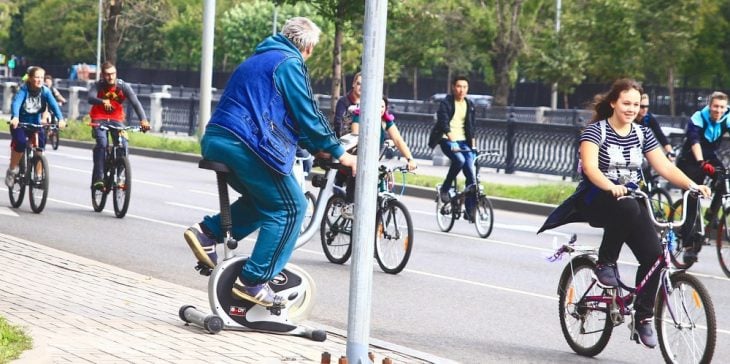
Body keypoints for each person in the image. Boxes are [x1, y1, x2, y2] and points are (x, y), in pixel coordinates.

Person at [183, 17, 357, 307]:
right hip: (247, 142)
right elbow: (307, 113)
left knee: (266, 201)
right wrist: (339, 152)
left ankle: (206, 233)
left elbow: (283, 118)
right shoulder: (289, 62)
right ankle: (253, 281)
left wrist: (316, 147)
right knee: (292, 207)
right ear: (309, 48)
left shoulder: (259, 58)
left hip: (219, 139)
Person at [538, 79, 710, 348]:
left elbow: (665, 167)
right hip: (599, 198)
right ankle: (606, 263)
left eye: (636, 104)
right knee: (628, 204)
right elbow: (591, 168)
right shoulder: (595, 132)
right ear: (613, 103)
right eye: (626, 103)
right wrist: (612, 186)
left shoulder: (642, 133)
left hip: (631, 201)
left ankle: (642, 317)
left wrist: (692, 185)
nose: (632, 109)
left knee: (655, 258)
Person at [676, 91, 730, 263]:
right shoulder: (698, 117)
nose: (718, 110)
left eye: (722, 107)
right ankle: (688, 245)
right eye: (715, 106)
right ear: (709, 105)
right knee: (693, 199)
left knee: (724, 180)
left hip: (709, 157)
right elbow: (694, 141)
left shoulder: (727, 117)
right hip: (690, 159)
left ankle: (711, 217)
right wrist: (701, 162)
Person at [342, 96, 417, 202]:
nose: (380, 109)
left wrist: (410, 159)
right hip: (357, 158)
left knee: (384, 181)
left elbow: (398, 140)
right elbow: (356, 137)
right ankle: (349, 204)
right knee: (355, 186)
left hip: (374, 160)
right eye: (377, 106)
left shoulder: (385, 121)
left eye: (382, 106)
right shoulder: (360, 116)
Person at [88, 61, 150, 189]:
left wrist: (143, 120)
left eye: (113, 74)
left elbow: (136, 103)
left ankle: (120, 176)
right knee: (102, 143)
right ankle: (99, 178)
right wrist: (102, 101)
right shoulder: (98, 85)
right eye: (107, 74)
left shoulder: (123, 86)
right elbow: (90, 98)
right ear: (102, 75)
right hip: (99, 118)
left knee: (123, 144)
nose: (110, 77)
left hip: (116, 119)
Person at [5, 66, 66, 187]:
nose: (39, 80)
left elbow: (54, 105)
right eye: (37, 77)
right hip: (20, 124)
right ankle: (12, 170)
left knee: (40, 148)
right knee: (21, 143)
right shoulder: (24, 90)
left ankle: (38, 175)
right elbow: (16, 103)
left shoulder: (45, 91)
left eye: (41, 77)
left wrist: (61, 119)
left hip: (35, 124)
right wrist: (15, 117)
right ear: (30, 78)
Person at [433, 76, 477, 218]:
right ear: (453, 87)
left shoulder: (469, 104)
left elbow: (472, 127)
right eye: (459, 86)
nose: (461, 90)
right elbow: (443, 124)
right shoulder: (446, 103)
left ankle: (470, 211)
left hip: (464, 142)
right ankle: (445, 189)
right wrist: (453, 142)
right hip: (447, 140)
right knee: (459, 161)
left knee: (471, 173)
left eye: (465, 87)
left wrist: (474, 146)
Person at [332, 72, 361, 137]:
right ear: (353, 84)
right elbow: (338, 124)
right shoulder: (343, 101)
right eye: (359, 84)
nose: (361, 87)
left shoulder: (369, 104)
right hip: (346, 141)